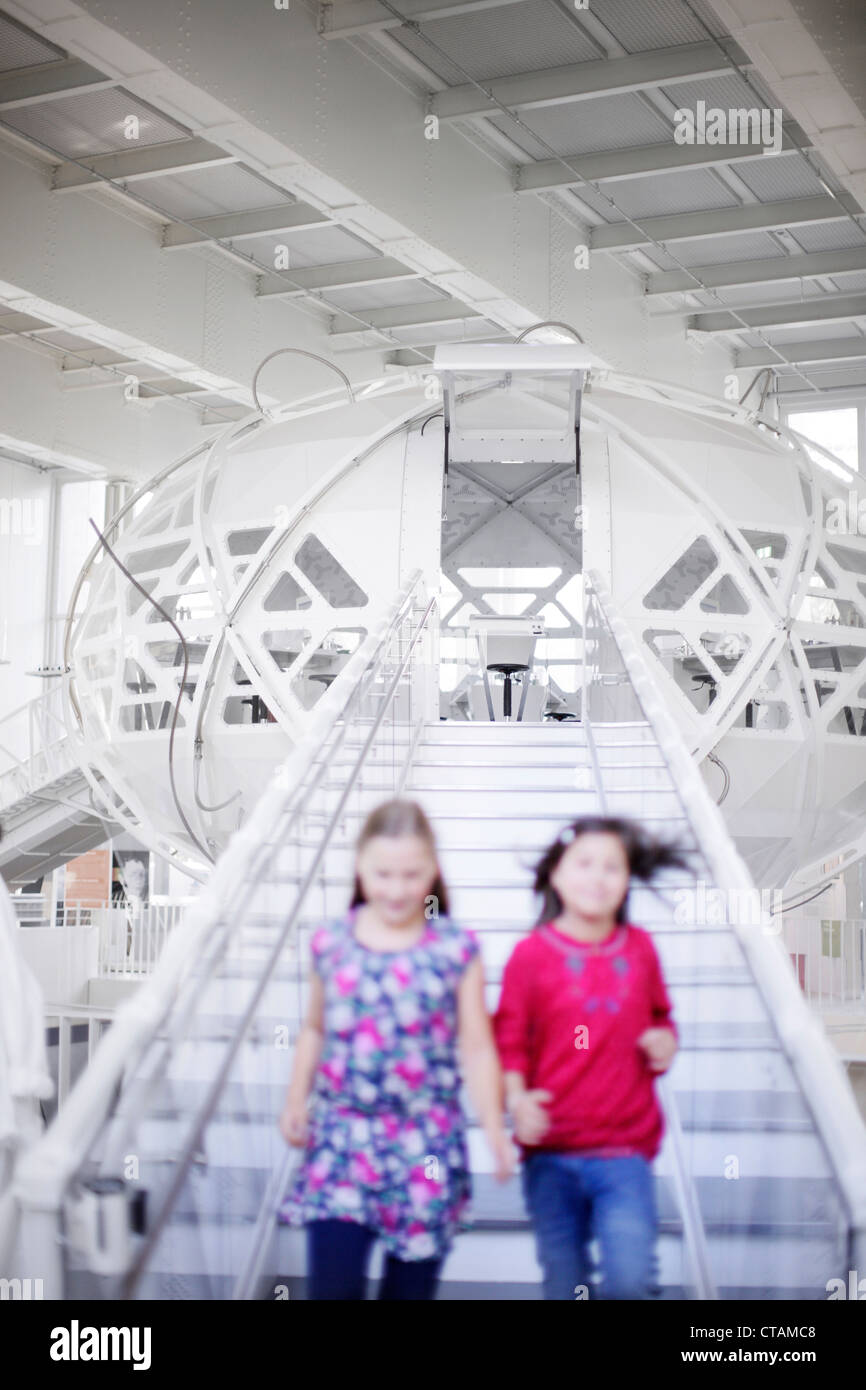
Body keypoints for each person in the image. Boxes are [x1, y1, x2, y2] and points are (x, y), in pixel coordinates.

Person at [278, 798, 514, 1300]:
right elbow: (315, 1027)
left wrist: (494, 1127)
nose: (397, 889)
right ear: (360, 867)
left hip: (425, 1147)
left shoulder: (456, 948)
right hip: (342, 1142)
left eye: (412, 874)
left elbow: (476, 1046)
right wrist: (296, 1098)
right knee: (332, 1290)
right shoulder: (330, 943)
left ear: (432, 870)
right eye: (383, 874)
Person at [494, 815, 687, 1301]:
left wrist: (664, 1043)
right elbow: (509, 1041)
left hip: (625, 1152)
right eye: (584, 864)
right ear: (556, 874)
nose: (597, 878)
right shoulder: (531, 956)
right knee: (565, 1285)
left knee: (629, 1282)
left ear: (627, 881)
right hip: (551, 1157)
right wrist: (517, 1101)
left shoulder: (640, 949)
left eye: (612, 867)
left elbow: (662, 1018)